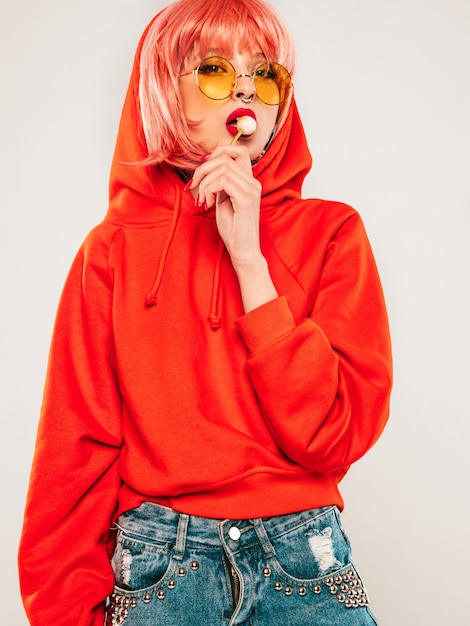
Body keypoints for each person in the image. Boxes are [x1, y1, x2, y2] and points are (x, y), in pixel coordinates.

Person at [18, 0, 392, 624]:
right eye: (216, 70)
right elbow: (74, 452)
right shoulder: (112, 252)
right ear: (166, 91)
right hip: (161, 569)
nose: (247, 89)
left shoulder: (332, 233)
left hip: (305, 560)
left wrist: (251, 261)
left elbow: (333, 437)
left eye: (266, 73)